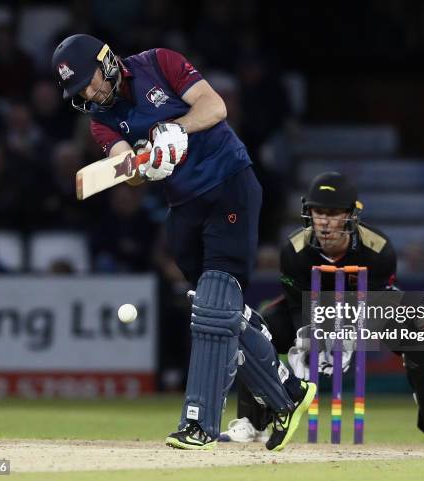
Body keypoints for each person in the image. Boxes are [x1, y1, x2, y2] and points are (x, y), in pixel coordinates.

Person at [51, 34, 315, 451]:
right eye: (79, 89)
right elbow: (128, 171)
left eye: (90, 80)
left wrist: (173, 129)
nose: (89, 92)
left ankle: (200, 423)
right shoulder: (101, 120)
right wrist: (147, 164)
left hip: (229, 183)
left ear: (107, 60)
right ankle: (288, 393)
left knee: (213, 307)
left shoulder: (158, 63)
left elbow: (214, 107)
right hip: (184, 205)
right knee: (219, 309)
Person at [221, 172, 424, 446]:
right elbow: (298, 307)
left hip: (368, 310)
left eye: (333, 213)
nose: (323, 222)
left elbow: (378, 305)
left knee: (420, 323)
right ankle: (252, 421)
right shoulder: (294, 250)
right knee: (258, 328)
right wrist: (307, 339)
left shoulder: (378, 250)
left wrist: (345, 337)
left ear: (350, 215)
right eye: (317, 212)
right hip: (312, 312)